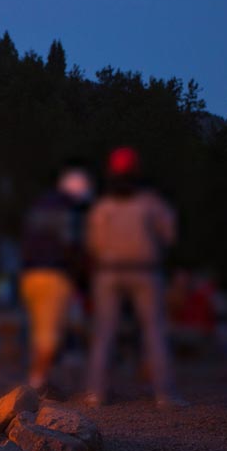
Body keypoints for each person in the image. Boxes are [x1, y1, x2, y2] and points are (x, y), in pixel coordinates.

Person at [86, 147, 185, 408]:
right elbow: (169, 236)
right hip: (145, 270)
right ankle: (165, 395)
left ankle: (96, 393)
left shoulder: (103, 207)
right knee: (154, 331)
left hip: (109, 271)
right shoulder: (151, 203)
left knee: (104, 332)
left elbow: (94, 243)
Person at [20, 165, 93, 397]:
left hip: (30, 275)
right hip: (54, 276)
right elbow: (71, 247)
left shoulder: (39, 207)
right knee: (49, 336)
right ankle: (36, 384)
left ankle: (42, 379)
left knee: (42, 331)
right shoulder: (68, 211)